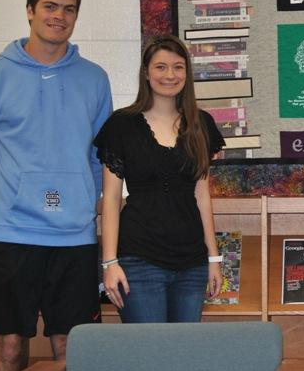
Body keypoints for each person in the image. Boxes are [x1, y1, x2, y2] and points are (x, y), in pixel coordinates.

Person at [0, 0, 112, 371]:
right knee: (7, 348)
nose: (58, 16)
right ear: (30, 11)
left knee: (73, 346)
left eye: (68, 9)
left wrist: (85, 204)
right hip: (11, 236)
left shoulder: (94, 79)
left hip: (74, 238)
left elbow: (98, 155)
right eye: (49, 6)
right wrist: (1, 208)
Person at [95, 35, 225, 323]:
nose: (170, 75)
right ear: (146, 72)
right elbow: (112, 198)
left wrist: (213, 260)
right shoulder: (121, 125)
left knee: (182, 355)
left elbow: (202, 196)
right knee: (149, 355)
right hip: (138, 261)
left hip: (191, 264)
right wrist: (109, 262)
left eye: (178, 67)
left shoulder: (201, 124)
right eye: (161, 67)